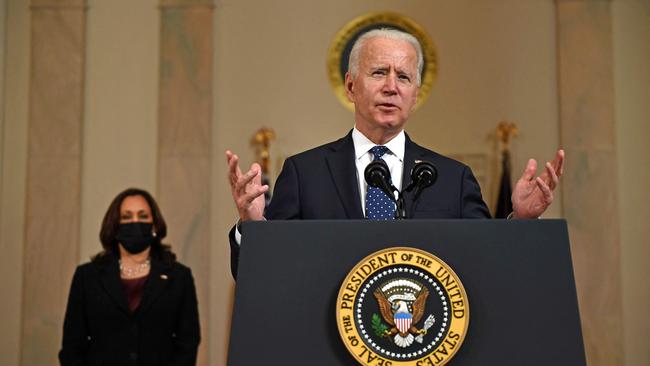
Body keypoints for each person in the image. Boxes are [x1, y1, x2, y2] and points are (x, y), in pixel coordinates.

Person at [225, 28, 564, 278]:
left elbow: (488, 268)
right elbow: (264, 278)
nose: (391, 86)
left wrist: (519, 222)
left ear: (414, 95)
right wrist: (253, 227)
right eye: (378, 72)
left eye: (403, 76)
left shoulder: (452, 179)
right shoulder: (304, 173)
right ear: (350, 85)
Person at [59, 188, 200, 366]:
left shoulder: (179, 277)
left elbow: (187, 344)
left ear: (155, 225)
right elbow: (72, 347)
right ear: (115, 226)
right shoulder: (87, 277)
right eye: (126, 217)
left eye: (142, 216)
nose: (135, 222)